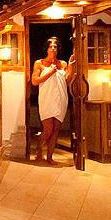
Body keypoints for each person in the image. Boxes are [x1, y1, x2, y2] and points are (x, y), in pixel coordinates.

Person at [31, 37, 75, 165]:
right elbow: (34, 81)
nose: (53, 49)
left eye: (55, 46)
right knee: (48, 129)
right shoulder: (39, 63)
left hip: (61, 98)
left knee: (56, 130)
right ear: (47, 48)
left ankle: (50, 157)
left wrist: (71, 67)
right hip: (47, 99)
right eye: (51, 46)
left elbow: (67, 81)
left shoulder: (63, 64)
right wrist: (50, 72)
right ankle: (39, 147)